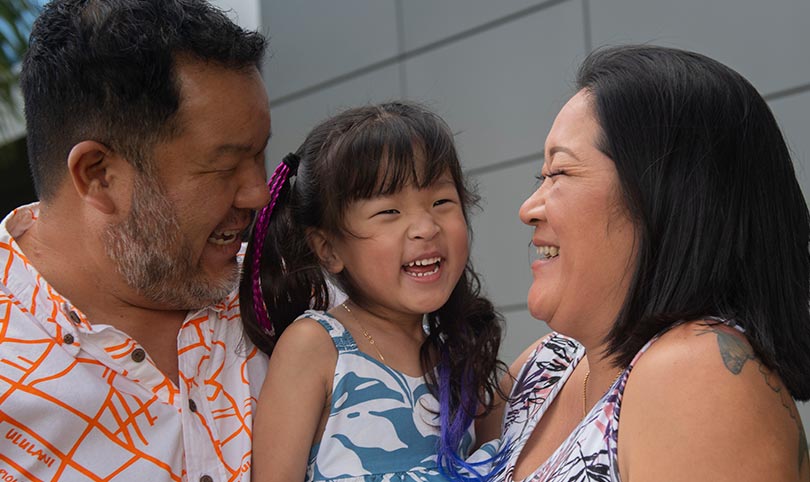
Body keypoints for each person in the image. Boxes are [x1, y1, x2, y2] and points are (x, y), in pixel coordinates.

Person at [478, 45, 810, 481]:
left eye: (559, 173)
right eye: (540, 177)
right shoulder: (547, 366)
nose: (529, 208)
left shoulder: (698, 371)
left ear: (662, 195)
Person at [0, 1, 271, 480]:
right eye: (225, 167)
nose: (259, 192)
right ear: (98, 175)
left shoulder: (288, 290)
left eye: (259, 156)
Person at [240, 102, 508, 481]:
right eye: (389, 212)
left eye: (441, 202)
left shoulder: (455, 352)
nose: (425, 227)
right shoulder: (317, 347)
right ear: (328, 249)